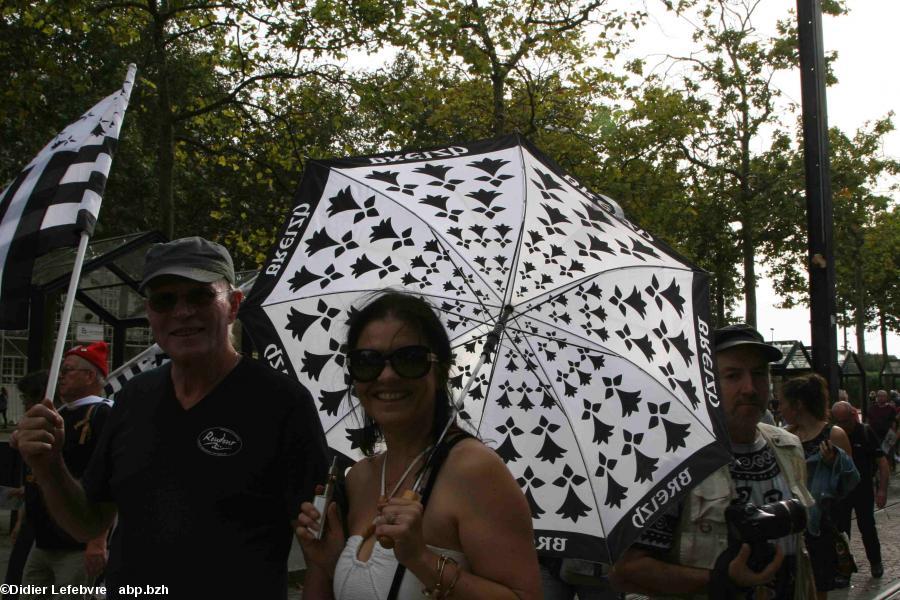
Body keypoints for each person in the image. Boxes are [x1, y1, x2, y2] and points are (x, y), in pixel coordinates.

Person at [13, 236, 330, 599]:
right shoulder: (132, 398)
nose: (182, 311)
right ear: (150, 313)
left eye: (199, 295)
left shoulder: (282, 403)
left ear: (233, 305)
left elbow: (318, 552)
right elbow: (88, 523)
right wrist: (49, 466)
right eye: (165, 299)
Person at [297, 291, 542, 599]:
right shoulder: (361, 477)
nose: (386, 376)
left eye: (409, 359)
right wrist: (328, 564)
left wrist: (421, 559)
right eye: (367, 361)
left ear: (440, 371)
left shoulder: (474, 470)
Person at [610, 323, 816, 599]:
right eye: (732, 376)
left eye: (758, 374)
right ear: (705, 384)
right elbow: (626, 570)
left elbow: (800, 554)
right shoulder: (674, 461)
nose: (750, 388)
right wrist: (721, 579)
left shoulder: (788, 447)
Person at [19, 342, 112, 599]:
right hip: (43, 541)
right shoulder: (59, 415)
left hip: (76, 546)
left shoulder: (101, 415)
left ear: (90, 376)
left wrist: (97, 541)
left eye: (68, 370)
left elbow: (109, 481)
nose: (61, 376)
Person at [780, 374, 858, 598]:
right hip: (792, 523)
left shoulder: (834, 434)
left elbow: (848, 483)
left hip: (819, 526)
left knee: (817, 589)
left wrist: (834, 464)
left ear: (798, 405)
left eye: (782, 403)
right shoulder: (785, 435)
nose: (779, 408)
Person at [831, 400, 889, 580]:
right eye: (838, 421)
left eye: (846, 421)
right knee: (841, 531)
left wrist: (882, 490)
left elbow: (882, 462)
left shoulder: (865, 432)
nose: (843, 426)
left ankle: (875, 562)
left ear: (852, 416)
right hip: (841, 491)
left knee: (867, 527)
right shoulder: (832, 434)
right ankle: (844, 567)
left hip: (862, 489)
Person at [4, 371, 48, 600]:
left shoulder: (54, 433)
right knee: (16, 583)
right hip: (32, 519)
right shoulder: (30, 433)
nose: (24, 404)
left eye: (26, 399)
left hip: (53, 528)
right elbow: (34, 480)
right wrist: (21, 520)